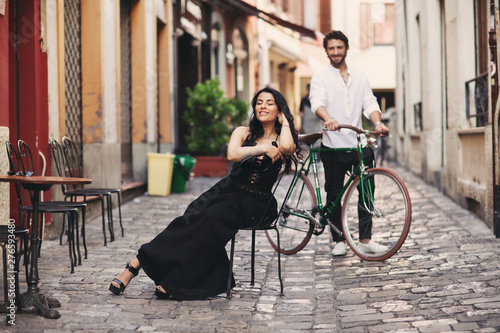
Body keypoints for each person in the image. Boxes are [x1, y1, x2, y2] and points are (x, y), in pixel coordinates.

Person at [109, 87, 300, 300]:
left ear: (279, 109)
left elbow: (287, 148)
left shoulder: (284, 137)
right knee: (190, 219)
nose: (263, 106)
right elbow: (232, 154)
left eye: (270, 103)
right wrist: (263, 149)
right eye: (259, 102)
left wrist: (284, 122)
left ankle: (142, 268)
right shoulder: (242, 132)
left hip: (257, 203)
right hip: (227, 191)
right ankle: (153, 270)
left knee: (208, 219)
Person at [309, 30, 390, 256]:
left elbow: (369, 102)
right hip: (333, 144)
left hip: (358, 144)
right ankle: (339, 240)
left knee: (367, 191)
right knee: (334, 194)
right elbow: (317, 102)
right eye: (331, 49)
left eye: (339, 47)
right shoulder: (320, 77)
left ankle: (365, 240)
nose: (335, 52)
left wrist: (378, 123)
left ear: (346, 48)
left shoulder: (360, 76)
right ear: (326, 51)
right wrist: (329, 119)